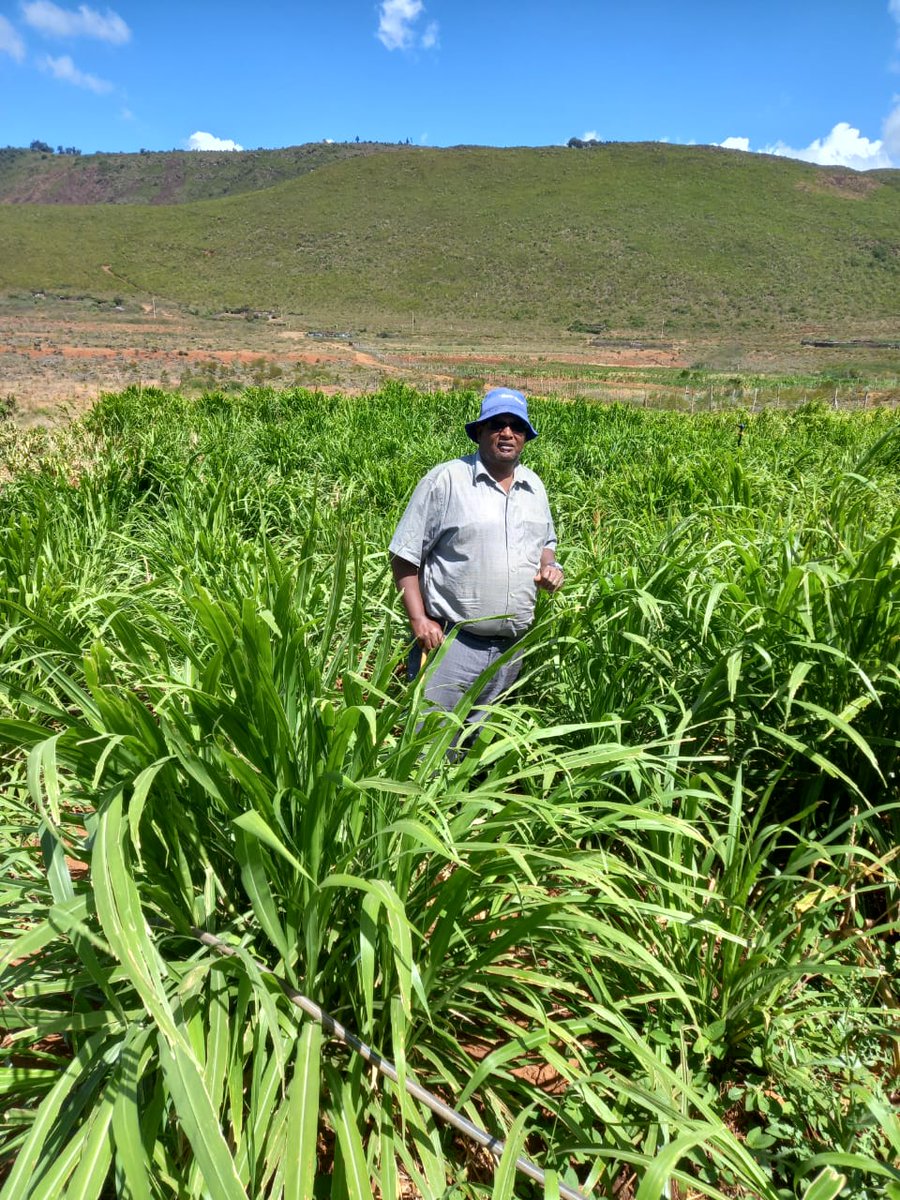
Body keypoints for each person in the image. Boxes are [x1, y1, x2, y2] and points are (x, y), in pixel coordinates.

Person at [389, 387, 563, 723]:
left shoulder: (534, 486)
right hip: (451, 645)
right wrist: (418, 620)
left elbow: (547, 541)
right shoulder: (446, 480)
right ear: (480, 432)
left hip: (510, 650)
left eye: (517, 426)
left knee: (477, 751)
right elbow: (404, 556)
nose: (507, 433)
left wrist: (550, 567)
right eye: (497, 424)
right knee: (429, 746)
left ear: (526, 436)